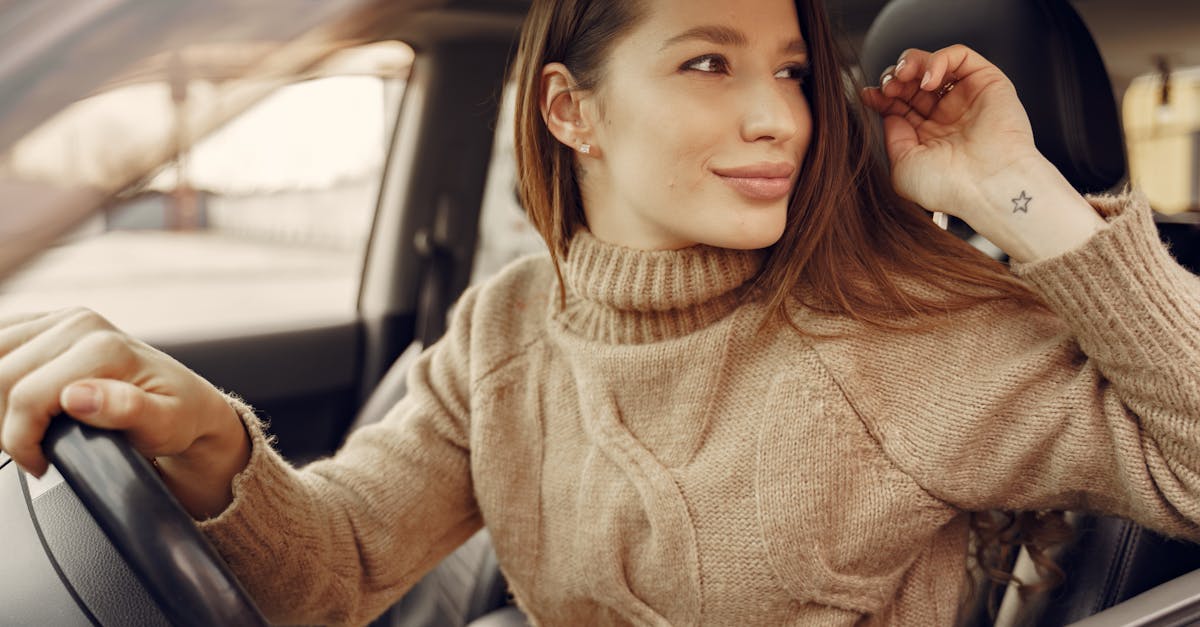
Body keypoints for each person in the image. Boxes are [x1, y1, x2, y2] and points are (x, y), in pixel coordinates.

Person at [2, 0, 1199, 624]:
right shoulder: (506, 328)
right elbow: (343, 570)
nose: (782, 117)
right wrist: (213, 446)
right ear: (572, 112)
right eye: (708, 64)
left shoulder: (892, 335)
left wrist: (1017, 190)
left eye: (789, 69)